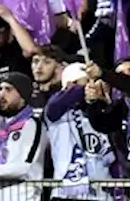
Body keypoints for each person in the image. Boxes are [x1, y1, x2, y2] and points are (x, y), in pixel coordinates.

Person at [43, 63, 116, 201]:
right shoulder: (57, 111)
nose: (93, 86)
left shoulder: (100, 110)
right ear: (71, 85)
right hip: (66, 193)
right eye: (87, 81)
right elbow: (54, 107)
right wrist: (84, 90)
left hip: (101, 192)